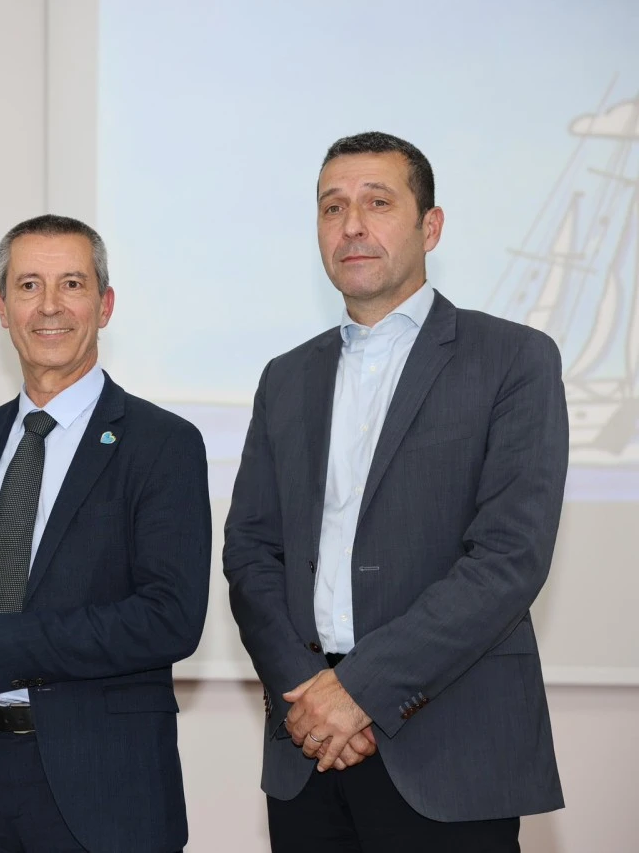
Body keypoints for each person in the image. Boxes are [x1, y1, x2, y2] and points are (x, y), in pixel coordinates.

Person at [223, 131, 568, 852]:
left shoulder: (512, 359)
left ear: (429, 227)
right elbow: (251, 553)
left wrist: (360, 691)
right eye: (333, 208)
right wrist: (309, 693)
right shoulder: (285, 377)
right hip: (307, 743)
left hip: (448, 747)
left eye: (377, 203)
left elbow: (508, 557)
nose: (352, 225)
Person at [0, 214, 211, 853]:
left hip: (101, 782)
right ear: (1, 308)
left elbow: (170, 619)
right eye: (28, 286)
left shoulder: (163, 444)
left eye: (71, 284)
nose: (49, 306)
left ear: (105, 304)